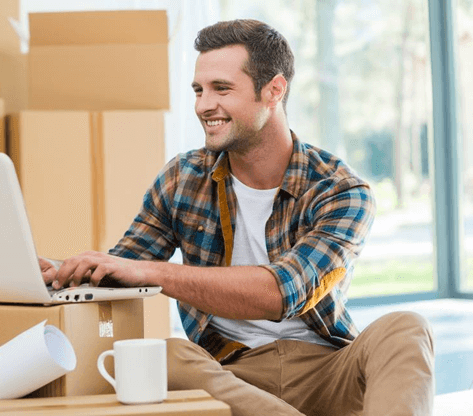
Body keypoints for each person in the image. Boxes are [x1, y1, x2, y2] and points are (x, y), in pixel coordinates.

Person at [39, 19, 434, 416]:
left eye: (221, 89)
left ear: (274, 90)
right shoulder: (183, 177)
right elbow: (121, 267)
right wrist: (60, 271)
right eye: (198, 90)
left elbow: (282, 293)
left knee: (407, 327)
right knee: (169, 355)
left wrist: (157, 274)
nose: (203, 105)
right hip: (232, 373)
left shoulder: (339, 190)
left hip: (328, 369)